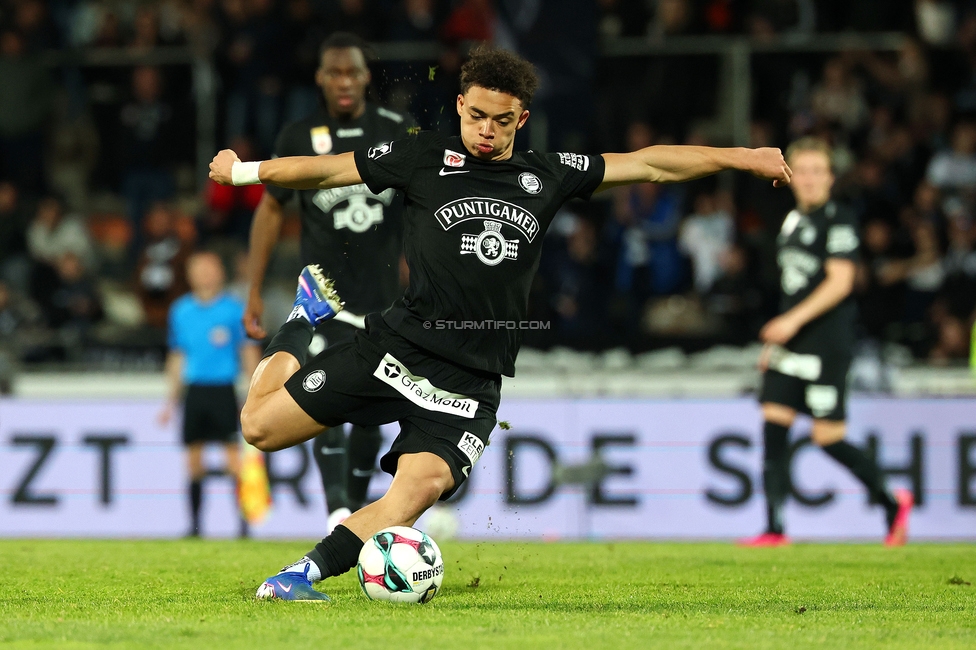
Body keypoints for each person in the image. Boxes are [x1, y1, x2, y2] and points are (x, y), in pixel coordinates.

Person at [209, 45, 792, 601]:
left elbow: (650, 164)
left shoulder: (548, 174)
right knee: (258, 428)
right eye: (478, 115)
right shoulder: (421, 155)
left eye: (503, 121)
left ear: (523, 119)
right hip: (395, 348)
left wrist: (744, 157)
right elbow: (328, 172)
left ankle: (299, 575)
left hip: (467, 384)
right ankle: (300, 321)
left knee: (416, 493)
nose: (487, 130)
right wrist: (244, 172)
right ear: (460, 105)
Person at [244, 32, 417, 535]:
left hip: (385, 302)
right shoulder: (299, 135)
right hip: (324, 299)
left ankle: (352, 516)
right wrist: (253, 288)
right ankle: (338, 508)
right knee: (321, 400)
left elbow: (423, 205)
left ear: (366, 77)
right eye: (334, 73)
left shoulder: (396, 129)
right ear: (320, 79)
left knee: (367, 415)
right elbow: (271, 209)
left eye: (353, 72)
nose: (344, 81)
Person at [741, 137, 913, 548]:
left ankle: (891, 501)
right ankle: (775, 529)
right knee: (773, 425)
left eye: (820, 171)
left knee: (827, 437)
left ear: (832, 178)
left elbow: (841, 282)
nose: (812, 179)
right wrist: (777, 340)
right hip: (789, 345)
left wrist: (788, 322)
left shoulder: (838, 219)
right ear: (790, 176)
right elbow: (793, 289)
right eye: (803, 170)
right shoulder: (792, 222)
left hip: (826, 344)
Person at [160, 251, 260, 538]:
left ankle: (242, 528)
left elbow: (247, 351)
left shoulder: (233, 309)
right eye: (198, 269)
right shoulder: (181, 310)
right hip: (195, 390)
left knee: (232, 458)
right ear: (189, 274)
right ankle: (195, 528)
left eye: (209, 268)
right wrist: (170, 400)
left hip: (223, 390)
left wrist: (253, 392)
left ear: (220, 272)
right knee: (193, 459)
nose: (204, 274)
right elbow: (178, 355)